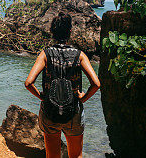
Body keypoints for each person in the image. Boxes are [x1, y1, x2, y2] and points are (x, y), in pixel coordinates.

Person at [25, 12, 101, 158]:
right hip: (73, 112)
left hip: (50, 110)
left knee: (52, 155)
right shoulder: (79, 55)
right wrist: (82, 98)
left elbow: (29, 83)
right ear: (70, 32)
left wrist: (42, 96)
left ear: (52, 32)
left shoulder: (45, 54)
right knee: (75, 155)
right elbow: (96, 84)